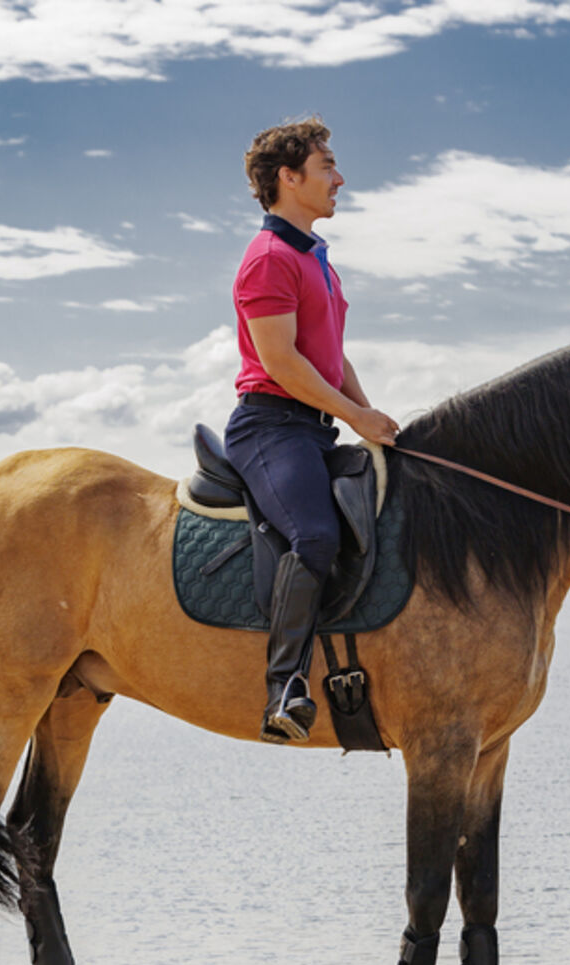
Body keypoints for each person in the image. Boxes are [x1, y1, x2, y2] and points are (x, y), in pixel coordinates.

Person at [224, 117, 399, 745]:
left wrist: (371, 418)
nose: (339, 178)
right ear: (288, 178)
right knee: (316, 536)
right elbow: (283, 364)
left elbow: (332, 357)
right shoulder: (268, 259)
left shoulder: (316, 259)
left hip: (316, 424)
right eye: (327, 167)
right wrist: (355, 417)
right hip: (271, 427)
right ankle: (285, 688)